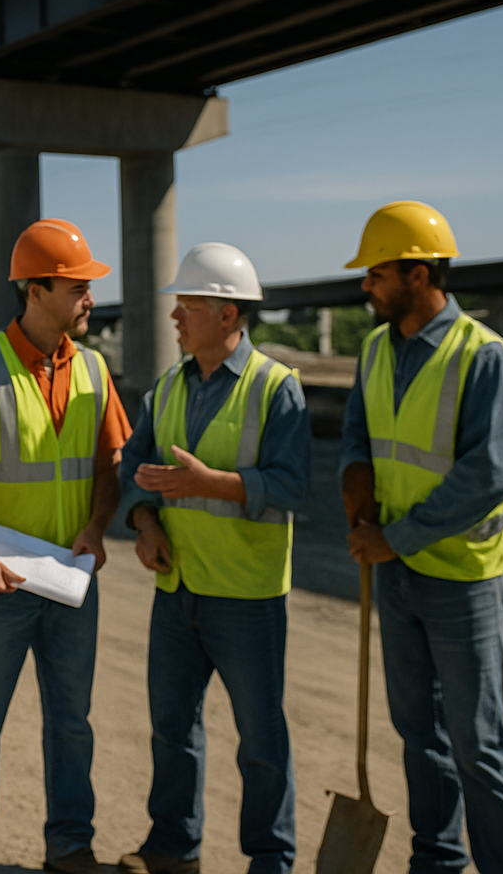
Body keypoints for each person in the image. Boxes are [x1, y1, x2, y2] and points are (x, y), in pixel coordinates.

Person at [0, 219, 131, 874]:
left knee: (73, 723)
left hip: (70, 581)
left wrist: (98, 527)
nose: (90, 299)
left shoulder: (94, 369)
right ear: (36, 290)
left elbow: (109, 465)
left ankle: (70, 845)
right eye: (77, 288)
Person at [339, 201, 503, 874]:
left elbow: (488, 476)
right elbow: (358, 434)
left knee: (478, 744)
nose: (366, 286)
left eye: (376, 274)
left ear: (418, 275)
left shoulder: (483, 356)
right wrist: (355, 479)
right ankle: (437, 860)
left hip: (463, 579)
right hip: (395, 574)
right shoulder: (373, 349)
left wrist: (395, 537)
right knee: (418, 734)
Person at [117, 243, 311, 874]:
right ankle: (173, 848)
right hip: (177, 588)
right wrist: (144, 521)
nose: (175, 316)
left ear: (228, 314)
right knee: (172, 729)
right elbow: (133, 467)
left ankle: (270, 860)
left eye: (189, 305)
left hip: (247, 595)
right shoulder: (167, 387)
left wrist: (212, 484)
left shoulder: (275, 388)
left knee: (260, 740)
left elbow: (292, 486)